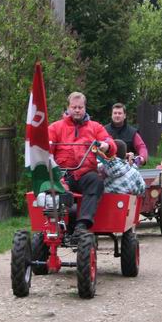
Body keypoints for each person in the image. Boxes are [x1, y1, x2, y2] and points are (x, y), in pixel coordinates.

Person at [49, 92, 116, 234]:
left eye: (80, 107)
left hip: (85, 174)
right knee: (53, 188)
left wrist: (106, 145)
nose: (77, 110)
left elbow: (110, 143)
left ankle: (82, 225)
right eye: (74, 107)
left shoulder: (95, 127)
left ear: (85, 108)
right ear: (68, 108)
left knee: (96, 181)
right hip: (62, 174)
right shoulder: (55, 128)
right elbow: (45, 150)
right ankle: (56, 225)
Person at [104, 103, 149, 167]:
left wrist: (141, 158)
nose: (117, 115)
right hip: (107, 167)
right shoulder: (103, 130)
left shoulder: (132, 132)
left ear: (124, 116)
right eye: (115, 113)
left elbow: (141, 147)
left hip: (127, 167)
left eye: (119, 113)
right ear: (111, 115)